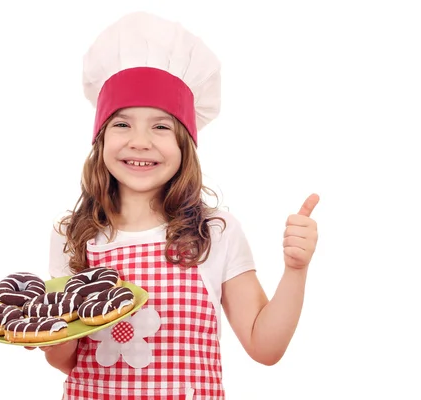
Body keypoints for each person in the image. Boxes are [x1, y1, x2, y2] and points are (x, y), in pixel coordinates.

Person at [30, 11, 319, 400]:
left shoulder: (215, 232)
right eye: (122, 124)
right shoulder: (73, 235)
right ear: (100, 139)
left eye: (161, 126)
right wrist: (51, 338)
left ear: (186, 144)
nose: (140, 141)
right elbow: (68, 361)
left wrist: (295, 270)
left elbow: (264, 347)